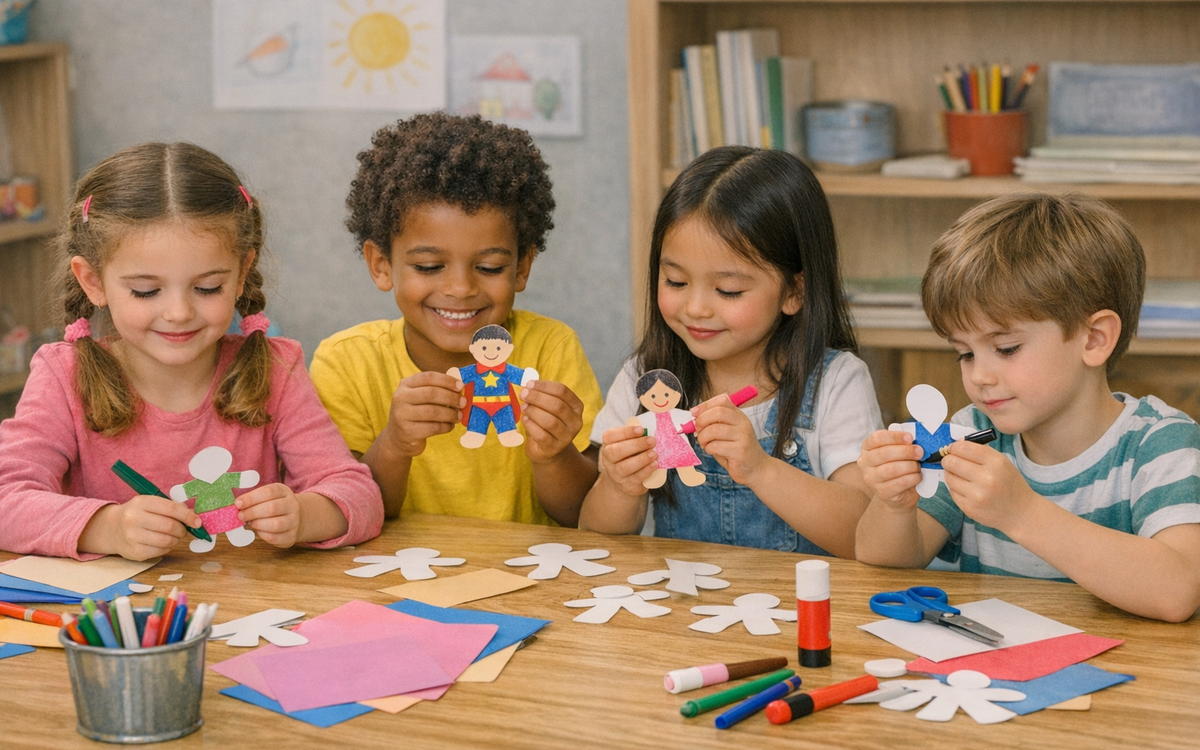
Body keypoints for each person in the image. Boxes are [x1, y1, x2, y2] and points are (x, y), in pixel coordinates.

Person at [0, 142, 383, 561]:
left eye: (207, 288)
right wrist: (107, 528)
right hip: (124, 619)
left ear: (241, 275)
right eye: (146, 291)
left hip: (249, 611)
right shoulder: (63, 375)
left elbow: (360, 494)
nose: (179, 312)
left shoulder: (276, 368)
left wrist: (306, 514)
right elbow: (6, 501)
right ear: (93, 282)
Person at [856, 193, 1200, 622]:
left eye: (1006, 348)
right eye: (965, 353)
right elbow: (886, 562)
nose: (979, 375)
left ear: (1093, 339)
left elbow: (1178, 592)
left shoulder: (1159, 443)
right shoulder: (975, 432)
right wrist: (892, 503)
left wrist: (1023, 514)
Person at [579, 146, 881, 557]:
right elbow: (597, 536)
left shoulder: (836, 381)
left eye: (728, 290)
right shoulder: (646, 378)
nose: (697, 308)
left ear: (795, 291)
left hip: (803, 611)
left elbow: (865, 535)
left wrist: (761, 469)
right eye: (675, 281)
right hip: (685, 607)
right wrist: (619, 485)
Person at [310, 113, 602, 526]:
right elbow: (347, 514)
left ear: (522, 267)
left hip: (528, 581)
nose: (461, 288)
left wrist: (554, 455)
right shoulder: (347, 363)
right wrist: (394, 444)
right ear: (381, 265)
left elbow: (583, 517)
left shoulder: (551, 348)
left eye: (489, 268)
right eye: (429, 266)